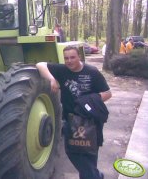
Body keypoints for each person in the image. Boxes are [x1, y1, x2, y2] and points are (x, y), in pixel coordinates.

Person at [36, 46, 112, 179]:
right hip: (71, 121)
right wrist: (52, 79)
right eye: (66, 58)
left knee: (90, 154)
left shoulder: (92, 72)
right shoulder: (62, 70)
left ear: (79, 57)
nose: (69, 61)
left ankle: (93, 176)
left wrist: (88, 102)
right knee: (73, 152)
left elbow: (107, 93)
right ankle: (95, 176)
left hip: (91, 121)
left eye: (72, 57)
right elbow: (40, 65)